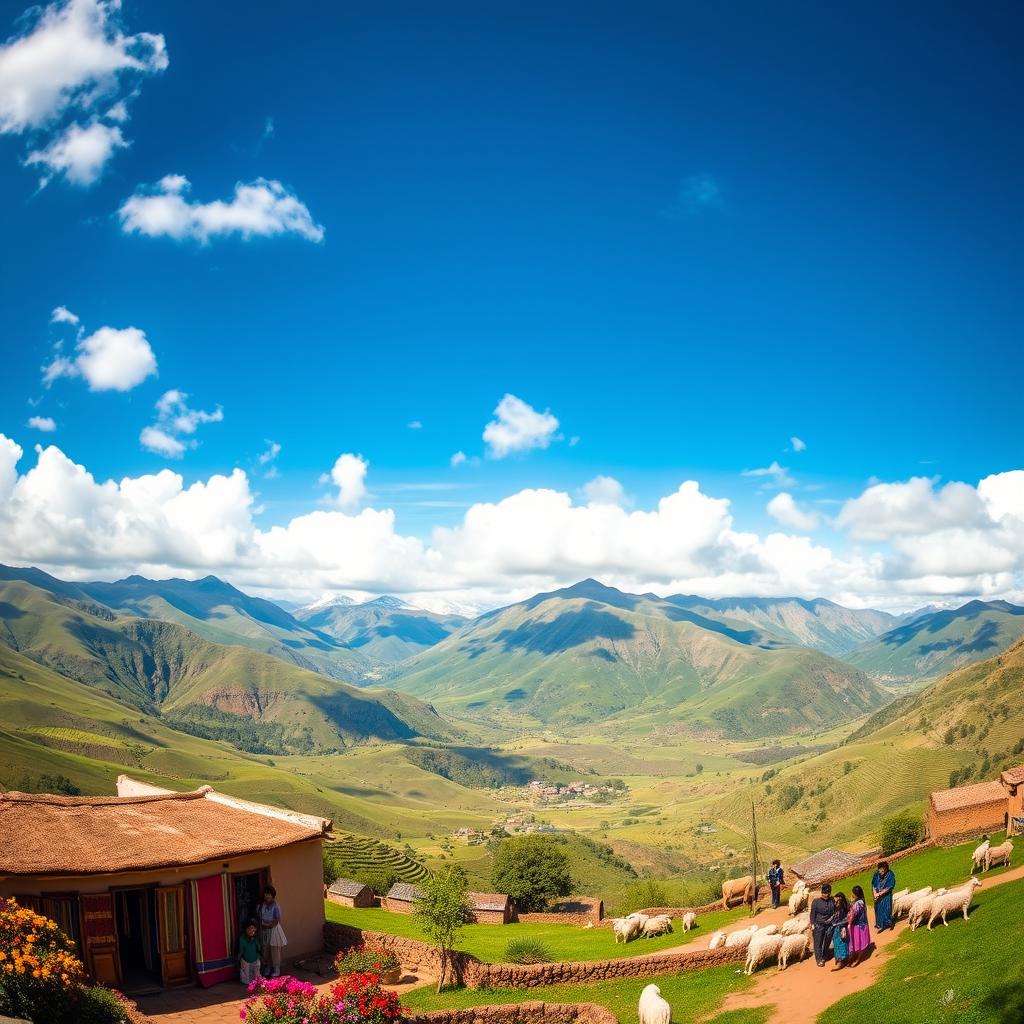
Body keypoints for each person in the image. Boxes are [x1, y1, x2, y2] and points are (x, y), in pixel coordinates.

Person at [258, 885, 288, 978]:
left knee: (274, 950)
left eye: (269, 894)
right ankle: (268, 967)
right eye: (266, 894)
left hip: (273, 930)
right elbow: (259, 917)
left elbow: (277, 919)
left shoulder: (276, 906)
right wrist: (263, 925)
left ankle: (276, 968)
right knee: (265, 949)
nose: (267, 896)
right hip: (264, 930)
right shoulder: (262, 905)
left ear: (272, 895)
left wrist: (269, 925)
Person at [809, 882, 835, 967]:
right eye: (824, 893)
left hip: (829, 925)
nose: (826, 895)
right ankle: (819, 959)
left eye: (827, 893)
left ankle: (824, 955)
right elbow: (812, 914)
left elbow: (835, 910)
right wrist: (812, 924)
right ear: (822, 893)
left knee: (828, 940)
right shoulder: (816, 902)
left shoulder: (832, 900)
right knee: (818, 942)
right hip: (818, 925)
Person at [846, 884, 871, 967]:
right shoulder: (862, 901)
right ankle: (856, 958)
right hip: (862, 925)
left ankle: (857, 959)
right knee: (858, 942)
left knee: (858, 943)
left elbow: (852, 914)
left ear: (855, 895)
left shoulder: (857, 904)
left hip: (857, 926)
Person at [871, 860, 896, 931]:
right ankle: (880, 924)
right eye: (880, 871)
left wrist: (880, 894)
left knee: (886, 909)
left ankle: (889, 923)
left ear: (886, 869)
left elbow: (890, 886)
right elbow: (873, 884)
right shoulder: (876, 874)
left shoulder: (890, 874)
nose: (881, 873)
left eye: (882, 871)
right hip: (877, 895)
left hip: (886, 896)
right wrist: (875, 893)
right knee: (878, 909)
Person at [830, 892, 850, 971]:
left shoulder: (843, 908)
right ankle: (840, 959)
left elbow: (846, 919)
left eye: (837, 899)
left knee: (841, 943)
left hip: (841, 928)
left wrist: (837, 924)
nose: (835, 901)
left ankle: (841, 961)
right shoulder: (838, 907)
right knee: (837, 943)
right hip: (836, 928)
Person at [238, 919, 261, 986]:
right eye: (249, 929)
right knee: (246, 977)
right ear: (246, 929)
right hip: (246, 960)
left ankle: (256, 981)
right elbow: (241, 950)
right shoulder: (242, 939)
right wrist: (239, 958)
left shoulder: (256, 938)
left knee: (257, 974)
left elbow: (259, 949)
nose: (251, 931)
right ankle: (247, 982)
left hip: (255, 959)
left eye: (253, 929)